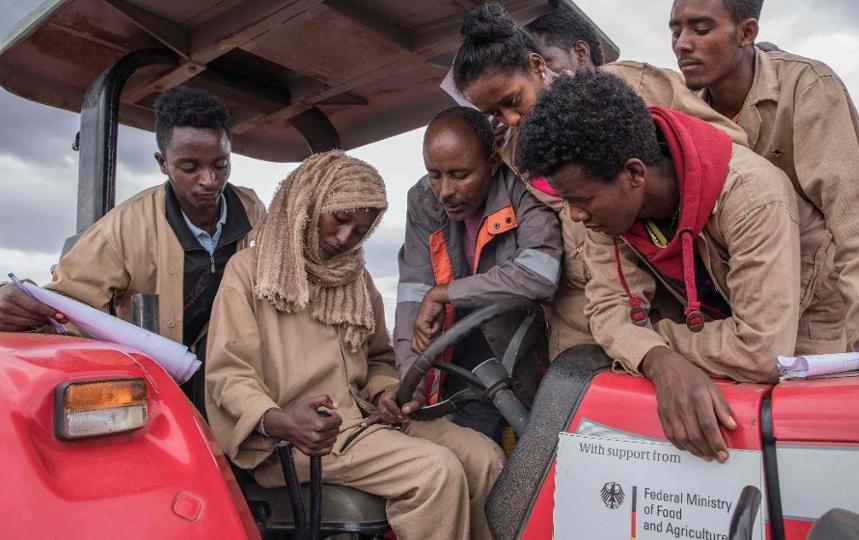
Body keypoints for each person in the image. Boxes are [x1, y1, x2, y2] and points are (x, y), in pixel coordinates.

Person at [516, 70, 842, 462]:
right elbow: (606, 310)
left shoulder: (754, 197)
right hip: (722, 354)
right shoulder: (604, 209)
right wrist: (659, 361)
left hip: (813, 357)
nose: (575, 215)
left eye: (582, 200)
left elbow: (762, 351)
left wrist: (653, 343)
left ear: (634, 173)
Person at [204, 151, 504, 540]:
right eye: (340, 219)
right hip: (293, 440)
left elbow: (378, 359)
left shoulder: (356, 280)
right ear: (310, 203)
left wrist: (387, 392)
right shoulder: (250, 271)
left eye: (361, 231)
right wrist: (278, 419)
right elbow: (228, 374)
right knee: (435, 472)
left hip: (364, 422)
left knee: (485, 458)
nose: (346, 238)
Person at [452, 3, 745, 359]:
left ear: (537, 66)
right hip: (603, 305)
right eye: (494, 114)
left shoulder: (627, 86)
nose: (511, 119)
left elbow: (724, 150)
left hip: (687, 282)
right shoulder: (516, 154)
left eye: (512, 100)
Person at [669, 0, 859, 368]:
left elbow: (851, 208)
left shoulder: (808, 87)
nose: (682, 43)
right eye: (675, 30)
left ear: (746, 33)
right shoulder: (684, 109)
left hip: (818, 296)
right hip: (740, 299)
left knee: (810, 407)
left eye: (701, 29)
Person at [0, 88, 266, 407]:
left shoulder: (254, 212)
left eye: (220, 164)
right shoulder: (122, 229)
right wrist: (18, 303)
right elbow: (65, 305)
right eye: (190, 167)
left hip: (231, 375)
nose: (209, 180)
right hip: (157, 383)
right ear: (163, 163)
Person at [395, 106, 561, 442]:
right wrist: (408, 379)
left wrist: (445, 294)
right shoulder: (423, 202)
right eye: (435, 174)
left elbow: (540, 272)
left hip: (529, 359)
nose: (445, 191)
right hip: (459, 363)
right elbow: (413, 296)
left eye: (460, 174)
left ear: (493, 163)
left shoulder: (522, 187)